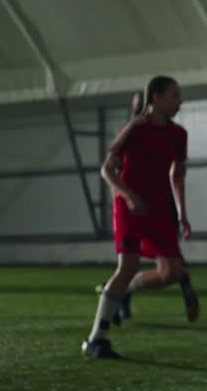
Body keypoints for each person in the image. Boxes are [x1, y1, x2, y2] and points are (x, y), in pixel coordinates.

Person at [82, 76, 199, 360]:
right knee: (128, 265)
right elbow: (107, 170)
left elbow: (177, 174)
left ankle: (124, 290)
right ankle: (96, 340)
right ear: (156, 97)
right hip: (130, 208)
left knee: (172, 272)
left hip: (158, 209)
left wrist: (182, 212)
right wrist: (129, 196)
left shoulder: (178, 134)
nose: (180, 101)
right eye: (174, 95)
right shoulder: (135, 129)